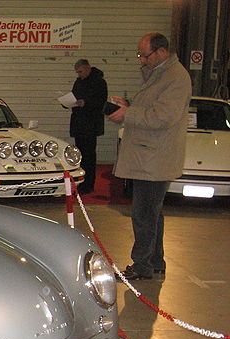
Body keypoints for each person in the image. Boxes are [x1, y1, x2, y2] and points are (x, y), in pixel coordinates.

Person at [107, 32, 191, 281]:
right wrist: (128, 104)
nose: (142, 60)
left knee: (143, 214)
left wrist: (127, 114)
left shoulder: (175, 78)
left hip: (155, 160)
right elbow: (151, 107)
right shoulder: (160, 73)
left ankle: (142, 266)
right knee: (152, 213)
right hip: (149, 157)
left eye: (145, 56)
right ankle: (156, 262)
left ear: (161, 51)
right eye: (140, 56)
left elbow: (162, 117)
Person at [69, 59, 107, 195]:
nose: (79, 75)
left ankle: (89, 184)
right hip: (79, 123)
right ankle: (81, 182)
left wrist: (85, 103)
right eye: (77, 72)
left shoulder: (99, 82)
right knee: (80, 155)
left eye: (80, 72)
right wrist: (68, 102)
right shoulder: (79, 82)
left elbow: (101, 101)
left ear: (87, 68)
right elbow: (73, 96)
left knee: (89, 155)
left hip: (90, 124)